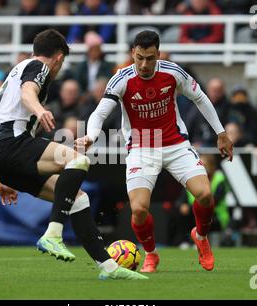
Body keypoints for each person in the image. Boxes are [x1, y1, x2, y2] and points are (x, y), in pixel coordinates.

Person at [0, 29, 146, 280]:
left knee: (78, 198)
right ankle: (53, 234)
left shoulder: (15, 73)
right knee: (78, 160)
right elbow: (29, 93)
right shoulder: (39, 67)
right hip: (12, 144)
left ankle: (109, 267)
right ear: (58, 58)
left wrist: (1, 176)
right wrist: (40, 109)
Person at [75, 30, 233, 273]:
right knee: (138, 209)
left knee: (205, 196)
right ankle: (150, 254)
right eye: (139, 58)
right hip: (141, 147)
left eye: (150, 58)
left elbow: (200, 98)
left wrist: (221, 133)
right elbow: (100, 112)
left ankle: (200, 236)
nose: (144, 64)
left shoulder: (172, 72)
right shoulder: (121, 79)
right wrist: (91, 136)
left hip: (175, 144)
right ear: (133, 54)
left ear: (158, 54)